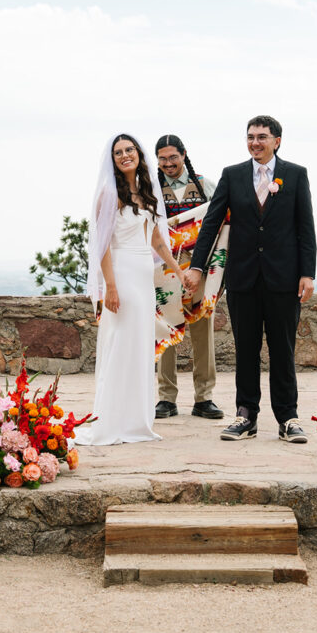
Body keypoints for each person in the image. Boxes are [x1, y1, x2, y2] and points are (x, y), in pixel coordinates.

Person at [183, 115, 316, 444]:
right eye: (251, 136)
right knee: (246, 350)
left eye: (262, 136)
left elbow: (305, 228)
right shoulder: (233, 175)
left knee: (283, 350)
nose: (255, 142)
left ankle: (288, 418)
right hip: (242, 279)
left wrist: (307, 273)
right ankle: (246, 416)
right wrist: (197, 267)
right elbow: (211, 225)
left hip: (283, 280)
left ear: (277, 141)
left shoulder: (295, 176)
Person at [76, 133, 186, 446]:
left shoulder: (147, 192)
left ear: (138, 154)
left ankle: (136, 421)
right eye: (118, 152)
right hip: (121, 275)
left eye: (129, 149)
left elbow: (156, 241)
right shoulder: (110, 196)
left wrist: (178, 271)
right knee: (119, 346)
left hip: (143, 277)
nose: (125, 155)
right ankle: (110, 422)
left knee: (139, 347)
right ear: (112, 160)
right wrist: (110, 287)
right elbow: (103, 247)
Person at [153, 134, 224, 421]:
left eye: (173, 157)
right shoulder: (153, 190)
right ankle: (166, 398)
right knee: (165, 328)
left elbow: (223, 222)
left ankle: (204, 398)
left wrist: (217, 273)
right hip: (163, 270)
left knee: (202, 331)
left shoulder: (205, 185)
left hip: (200, 269)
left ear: (184, 154)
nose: (168, 163)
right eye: (163, 158)